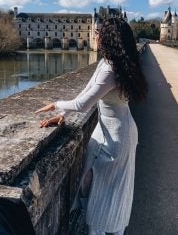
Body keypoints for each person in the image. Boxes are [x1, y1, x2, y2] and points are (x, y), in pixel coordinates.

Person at [35, 17, 148, 235]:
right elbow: (85, 92)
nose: (95, 35)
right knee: (109, 188)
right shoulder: (113, 63)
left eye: (98, 33)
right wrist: (63, 114)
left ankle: (101, 229)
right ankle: (108, 229)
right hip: (114, 130)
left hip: (115, 137)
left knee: (102, 188)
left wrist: (55, 104)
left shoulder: (110, 69)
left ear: (108, 38)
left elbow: (84, 104)